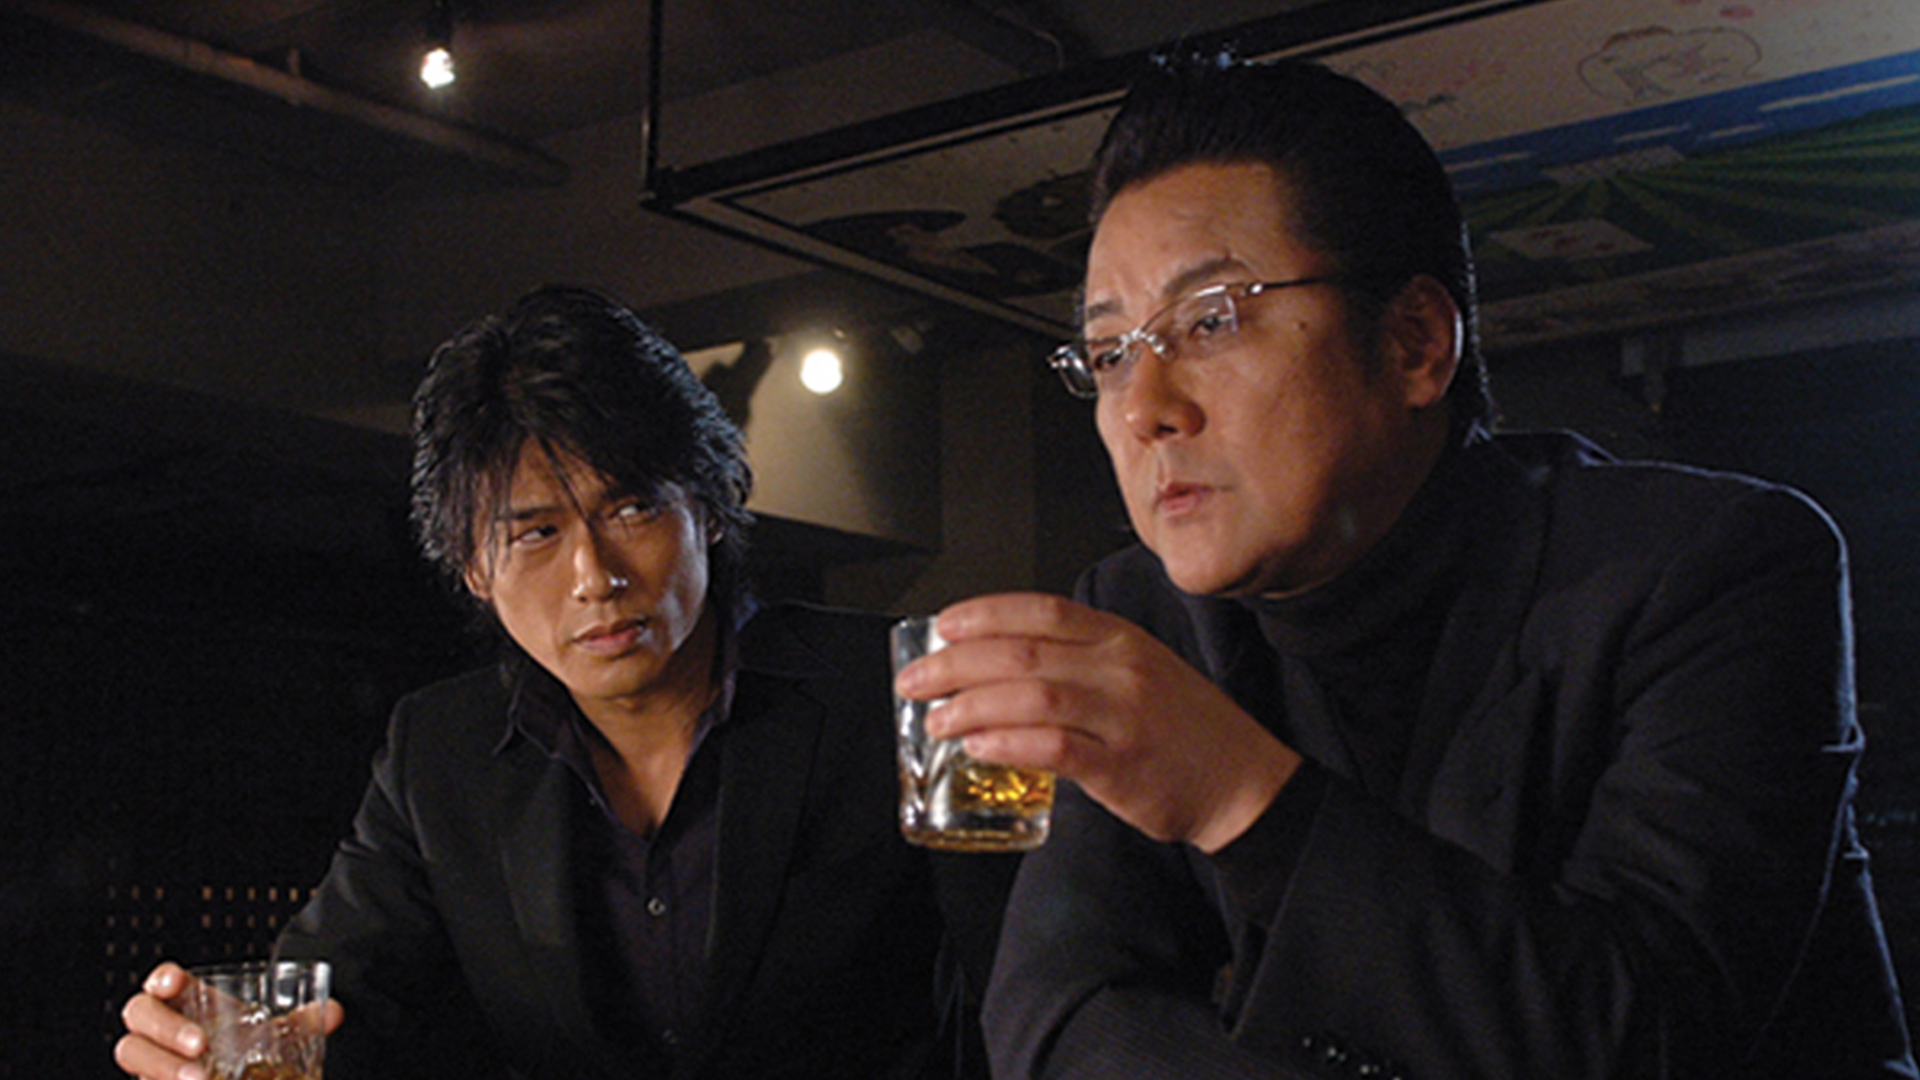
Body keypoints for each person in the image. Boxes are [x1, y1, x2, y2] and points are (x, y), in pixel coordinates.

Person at [894, 55, 1919, 1078]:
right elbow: (1058, 1013)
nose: (1143, 409)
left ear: (1415, 343)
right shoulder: (1137, 613)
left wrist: (1236, 795)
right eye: (1112, 353)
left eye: (1209, 320)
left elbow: (1647, 1034)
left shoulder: (1709, 566)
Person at [116, 285, 1016, 1080]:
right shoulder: (440, 753)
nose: (596, 576)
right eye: (537, 533)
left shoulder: (911, 689)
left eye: (632, 507)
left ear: (706, 507)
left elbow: (1028, 985)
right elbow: (342, 1013)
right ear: (473, 567)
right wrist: (222, 1040)